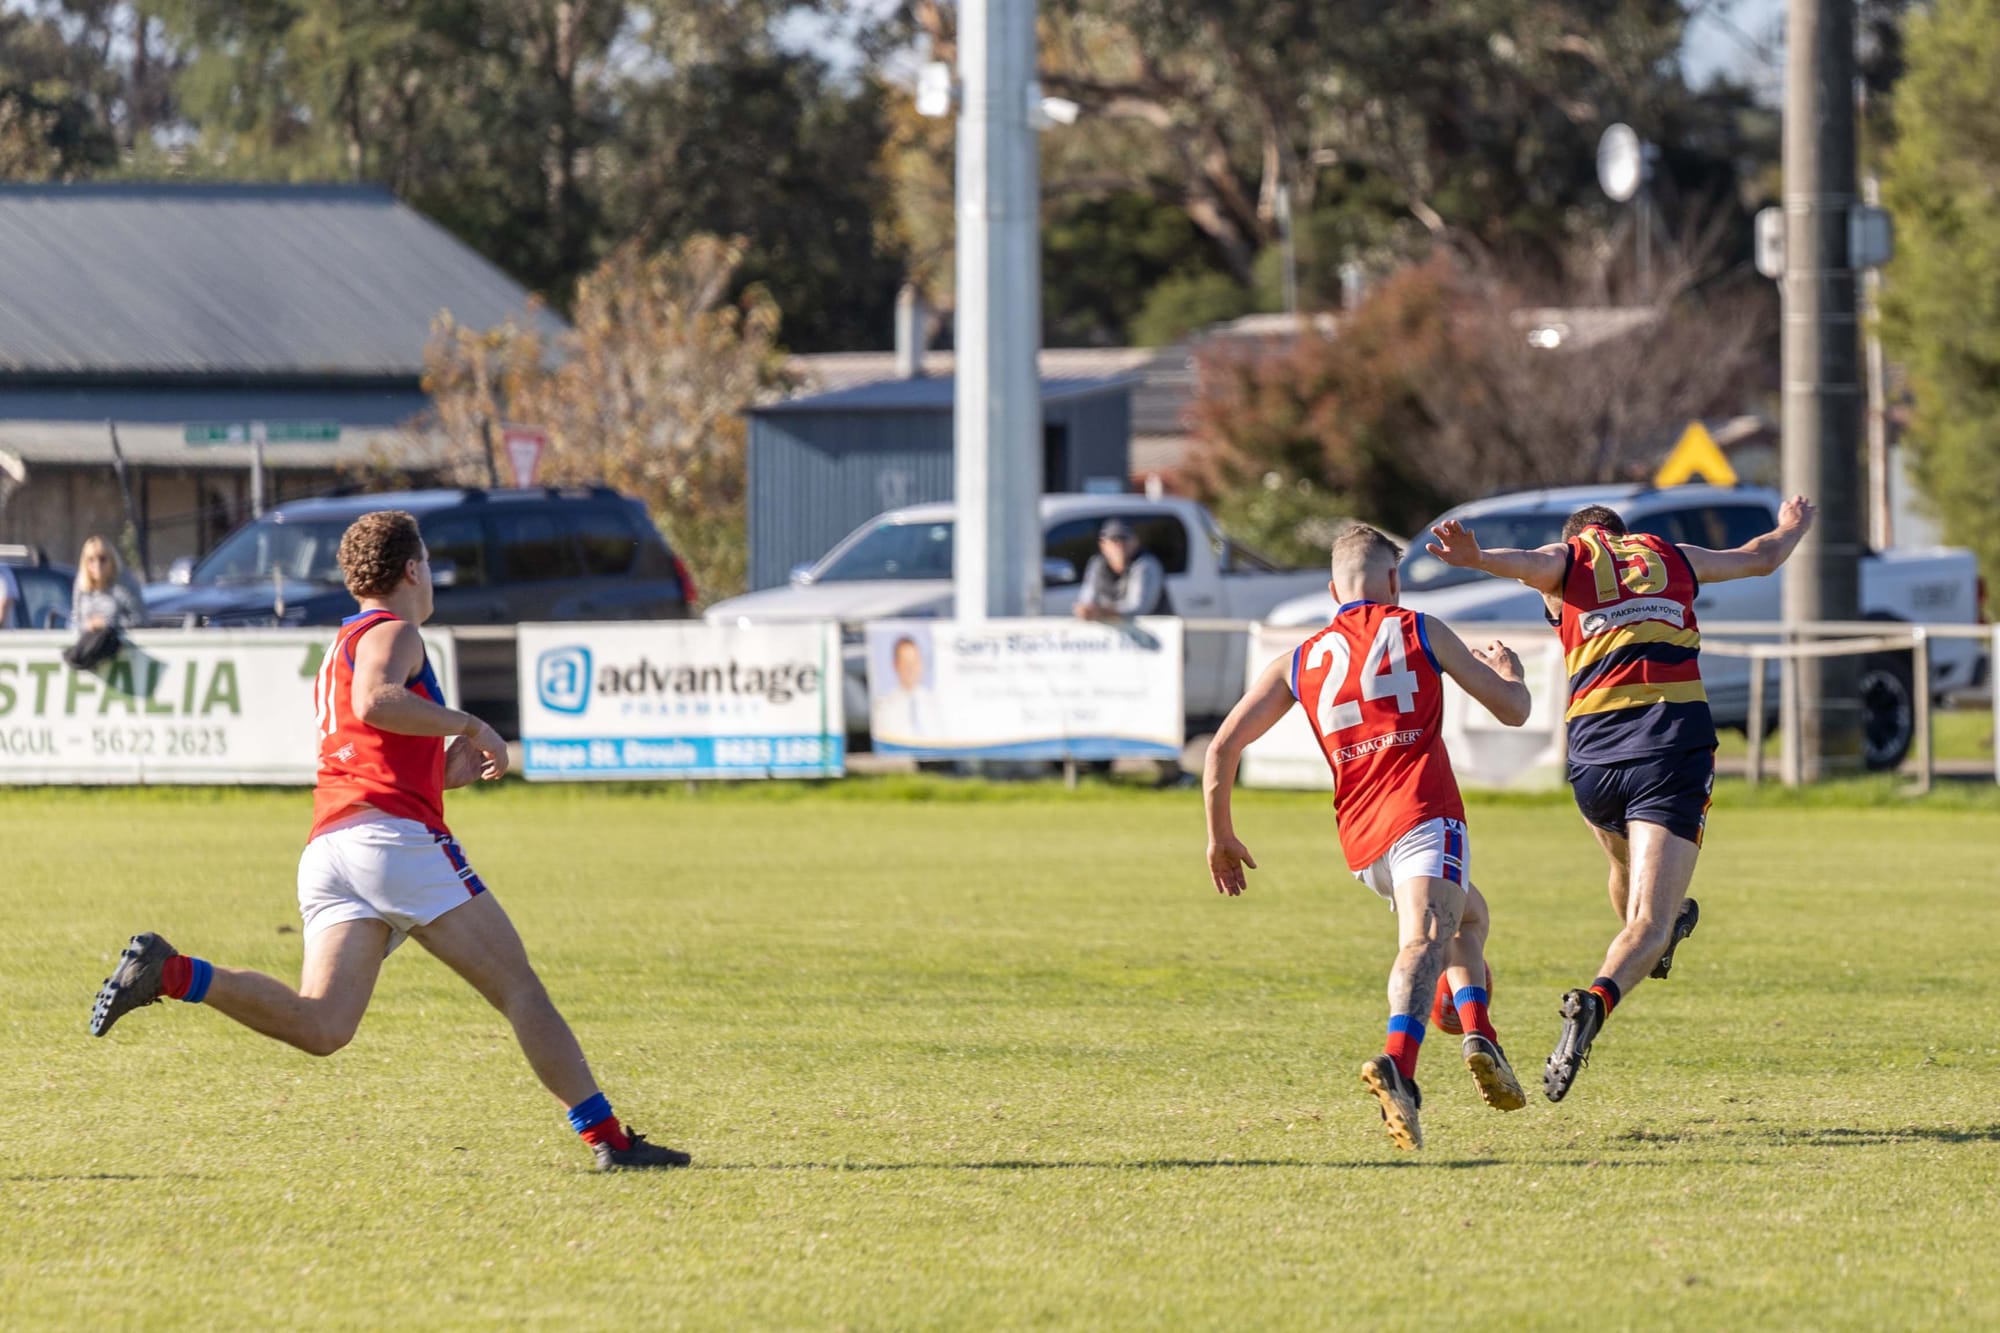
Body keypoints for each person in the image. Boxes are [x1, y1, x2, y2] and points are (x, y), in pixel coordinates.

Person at [88, 509, 688, 1170]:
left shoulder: (341, 644)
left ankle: (170, 972)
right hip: (389, 842)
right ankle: (610, 1141)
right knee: (520, 988)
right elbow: (377, 701)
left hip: (330, 849)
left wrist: (442, 769)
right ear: (411, 569)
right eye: (427, 562)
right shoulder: (395, 630)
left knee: (322, 1025)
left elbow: (368, 743)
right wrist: (470, 725)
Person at [1424, 495, 1816, 1102]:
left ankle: (1651, 937)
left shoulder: (1572, 558)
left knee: (1623, 867)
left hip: (1594, 758)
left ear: (1582, 537)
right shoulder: (1672, 556)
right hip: (1670, 745)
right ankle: (1599, 996)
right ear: (1622, 535)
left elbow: (1529, 562)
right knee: (1650, 922)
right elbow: (1761, 557)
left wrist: (1476, 558)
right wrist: (1792, 524)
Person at [1203, 524, 1535, 1150]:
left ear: (1333, 590)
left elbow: (1223, 747)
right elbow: (1512, 709)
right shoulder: (1419, 628)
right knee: (1429, 937)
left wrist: (1220, 836)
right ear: (1393, 582)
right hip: (1423, 812)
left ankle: (1480, 1034)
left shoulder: (1299, 659)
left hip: (1361, 837)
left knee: (1469, 917)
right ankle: (1398, 1067)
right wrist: (1508, 671)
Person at [1074, 518, 1168, 620]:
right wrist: (1085, 609)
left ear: (1135, 542)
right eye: (1114, 539)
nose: (1120, 545)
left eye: (1124, 538)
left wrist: (1102, 611)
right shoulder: (1097, 564)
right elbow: (1087, 599)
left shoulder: (1146, 564)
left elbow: (1138, 608)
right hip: (1116, 631)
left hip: (1156, 632)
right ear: (1103, 544)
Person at [877, 633, 939, 739]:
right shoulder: (884, 708)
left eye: (914, 662)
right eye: (905, 663)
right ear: (896, 665)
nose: (911, 669)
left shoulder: (936, 703)